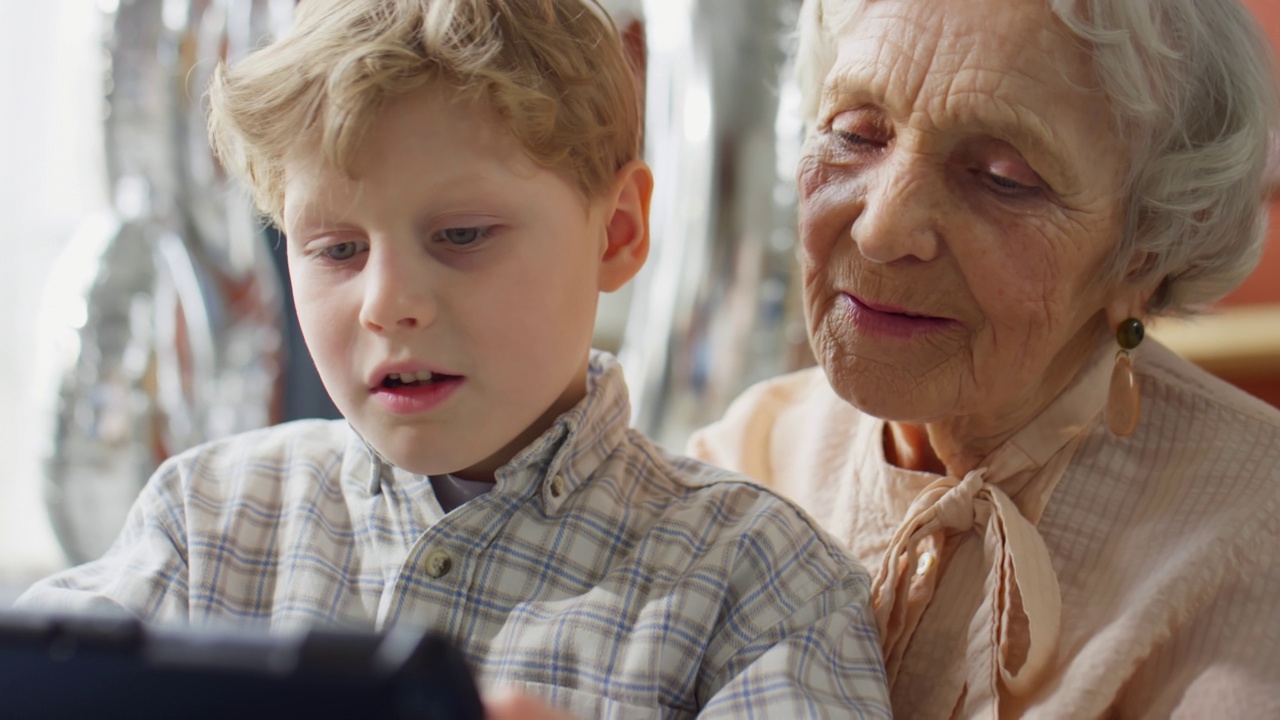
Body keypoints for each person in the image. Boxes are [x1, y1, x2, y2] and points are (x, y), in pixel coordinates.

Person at [15, 0, 892, 717]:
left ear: (617, 231)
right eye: (334, 250)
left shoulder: (761, 585)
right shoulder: (203, 526)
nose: (388, 301)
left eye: (462, 235)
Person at [690, 0, 1280, 716]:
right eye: (856, 133)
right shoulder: (748, 456)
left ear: (1145, 251)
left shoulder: (1253, 542)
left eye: (1002, 176)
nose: (882, 230)